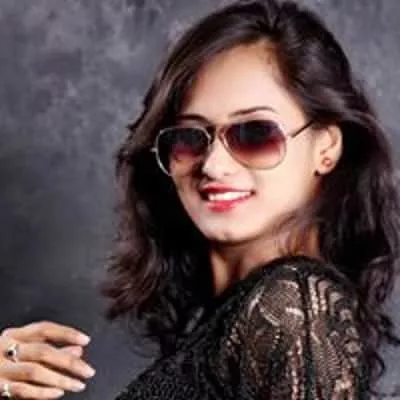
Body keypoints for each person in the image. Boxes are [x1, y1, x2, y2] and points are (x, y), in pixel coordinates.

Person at [1, 0, 400, 398]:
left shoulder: (292, 308)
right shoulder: (232, 322)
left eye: (255, 133)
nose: (213, 165)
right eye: (190, 137)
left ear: (326, 147)